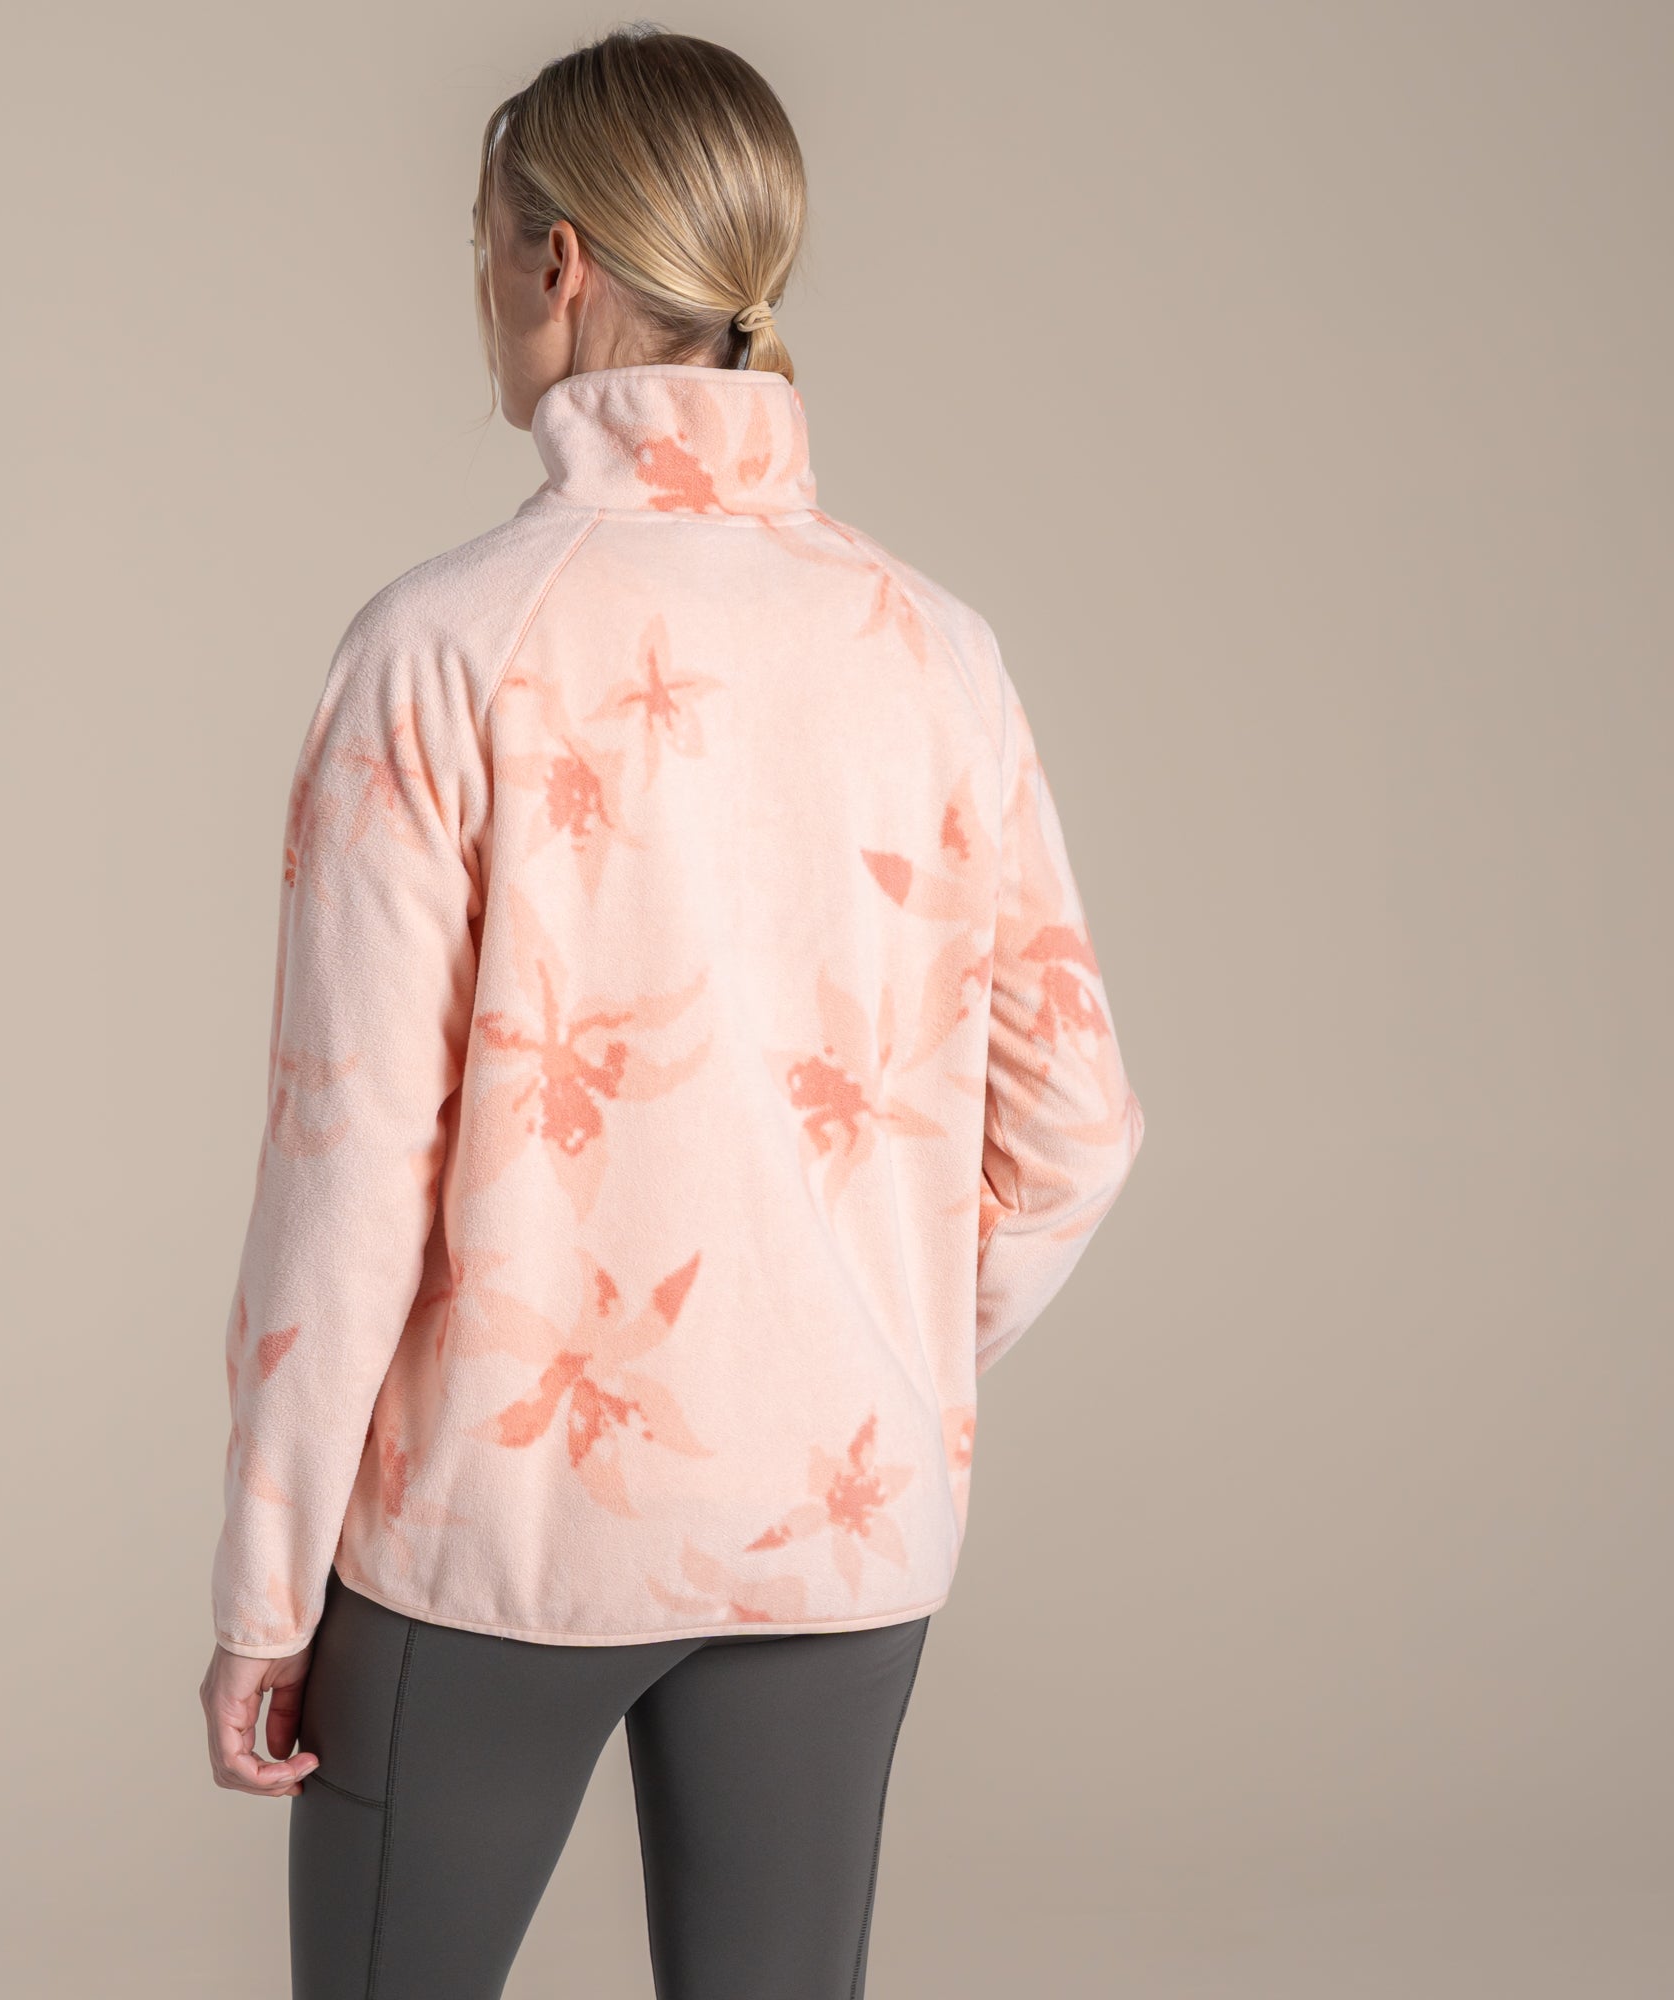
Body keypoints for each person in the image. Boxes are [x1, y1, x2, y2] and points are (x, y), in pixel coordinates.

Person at [198, 26, 1145, 1999]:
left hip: (496, 1527)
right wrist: (858, 1351)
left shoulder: (441, 648)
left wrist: (268, 1590)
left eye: (482, 248)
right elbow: (1075, 1127)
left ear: (552, 266)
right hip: (837, 1524)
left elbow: (351, 1162)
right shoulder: (936, 650)